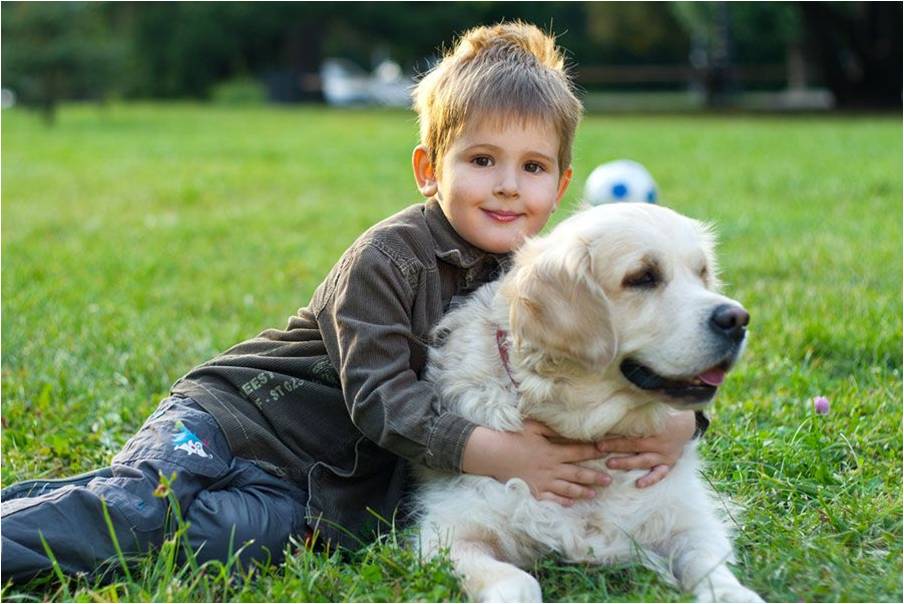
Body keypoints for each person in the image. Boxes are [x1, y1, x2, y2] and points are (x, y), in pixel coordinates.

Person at [1, 22, 704, 584]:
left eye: (533, 167)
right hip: (237, 420)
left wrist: (684, 423)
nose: (507, 187)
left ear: (561, 183)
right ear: (431, 169)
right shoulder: (388, 258)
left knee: (212, 542)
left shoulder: (548, 282)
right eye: (481, 160)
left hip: (318, 495)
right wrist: (504, 454)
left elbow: (623, 357)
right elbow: (380, 397)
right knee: (135, 512)